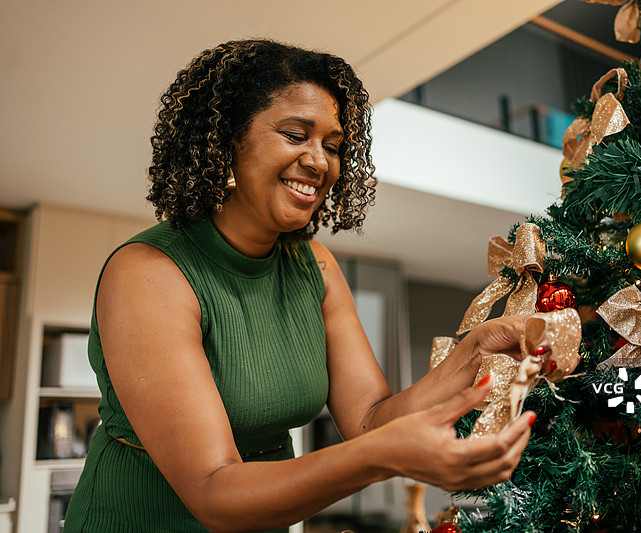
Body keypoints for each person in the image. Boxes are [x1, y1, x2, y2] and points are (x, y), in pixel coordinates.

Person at [64, 39, 540, 533]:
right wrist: (380, 458)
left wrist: (474, 353)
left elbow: (372, 420)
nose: (319, 162)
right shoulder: (149, 272)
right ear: (229, 138)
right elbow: (214, 492)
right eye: (295, 135)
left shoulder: (313, 263)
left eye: (333, 146)